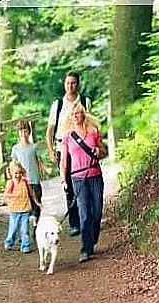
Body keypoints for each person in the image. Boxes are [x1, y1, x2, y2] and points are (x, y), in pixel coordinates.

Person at [59, 101, 107, 263]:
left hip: (94, 174)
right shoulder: (67, 136)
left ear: (83, 114)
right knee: (84, 212)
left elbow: (104, 152)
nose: (75, 116)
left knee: (97, 211)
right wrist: (63, 179)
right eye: (72, 114)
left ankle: (92, 239)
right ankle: (86, 248)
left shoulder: (93, 132)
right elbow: (64, 160)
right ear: (69, 117)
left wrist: (98, 151)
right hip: (77, 177)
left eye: (78, 113)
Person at [46, 71, 92, 236]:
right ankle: (74, 222)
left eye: (73, 83)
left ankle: (86, 218)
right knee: (69, 186)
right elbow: (50, 129)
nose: (70, 86)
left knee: (86, 182)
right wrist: (51, 149)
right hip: (63, 148)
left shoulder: (85, 102)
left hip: (83, 149)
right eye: (67, 83)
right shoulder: (58, 105)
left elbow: (91, 124)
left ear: (77, 84)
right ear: (64, 85)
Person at [11, 120, 46, 231]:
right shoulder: (15, 149)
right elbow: (14, 163)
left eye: (25, 131)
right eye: (21, 131)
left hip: (34, 179)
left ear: (29, 132)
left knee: (37, 204)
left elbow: (39, 161)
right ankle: (24, 230)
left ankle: (36, 226)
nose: (23, 134)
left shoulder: (34, 147)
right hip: (23, 181)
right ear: (18, 133)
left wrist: (44, 169)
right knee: (25, 206)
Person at [3, 160, 43, 253]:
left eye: (20, 173)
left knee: (25, 229)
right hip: (14, 210)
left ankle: (25, 245)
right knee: (13, 229)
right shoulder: (11, 183)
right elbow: (6, 194)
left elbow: (31, 193)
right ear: (11, 173)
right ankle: (9, 242)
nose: (18, 175)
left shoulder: (25, 182)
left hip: (25, 209)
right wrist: (14, 195)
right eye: (16, 173)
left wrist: (37, 202)